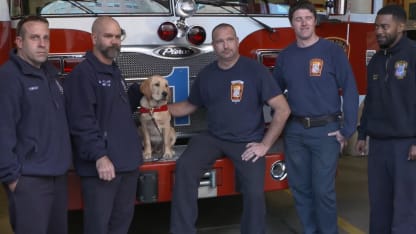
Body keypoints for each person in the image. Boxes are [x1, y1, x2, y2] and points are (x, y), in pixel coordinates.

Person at [169, 23, 290, 234]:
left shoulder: (255, 71)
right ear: (214, 46)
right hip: (214, 137)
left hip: (247, 141)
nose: (225, 46)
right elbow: (189, 106)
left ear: (237, 42)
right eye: (219, 41)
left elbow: (283, 109)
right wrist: (158, 108)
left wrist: (264, 145)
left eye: (229, 40)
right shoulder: (207, 74)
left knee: (254, 193)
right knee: (185, 168)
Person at [273, 1, 358, 233]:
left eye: (308, 18)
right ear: (291, 23)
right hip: (295, 132)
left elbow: (350, 88)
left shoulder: (332, 52)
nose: (303, 23)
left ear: (315, 21)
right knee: (300, 188)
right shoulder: (286, 56)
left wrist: (347, 129)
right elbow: (274, 93)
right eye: (298, 19)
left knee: (323, 191)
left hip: (326, 131)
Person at [63, 16, 143, 234]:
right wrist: (100, 156)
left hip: (126, 165)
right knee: (98, 227)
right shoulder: (83, 74)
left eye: (118, 37)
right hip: (103, 168)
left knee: (120, 225)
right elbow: (82, 122)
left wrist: (137, 93)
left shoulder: (114, 71)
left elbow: (115, 113)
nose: (114, 41)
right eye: (108, 36)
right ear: (94, 38)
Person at [0, 15, 72, 234]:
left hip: (57, 177)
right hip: (29, 181)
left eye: (46, 38)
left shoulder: (51, 75)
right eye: (34, 38)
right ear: (19, 42)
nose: (42, 44)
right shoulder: (8, 78)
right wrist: (13, 178)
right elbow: (2, 130)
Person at [355, 5, 416, 234]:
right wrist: (362, 133)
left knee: (405, 207)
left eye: (384, 26)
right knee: (379, 205)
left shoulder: (413, 55)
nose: (378, 31)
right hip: (378, 145)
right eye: (377, 26)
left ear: (401, 26)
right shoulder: (376, 61)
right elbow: (371, 100)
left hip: (406, 146)